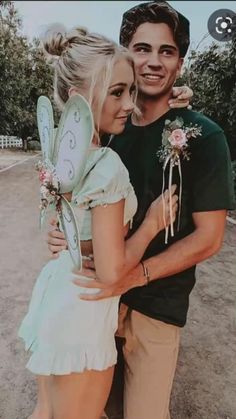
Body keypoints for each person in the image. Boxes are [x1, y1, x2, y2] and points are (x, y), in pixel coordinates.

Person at [48, 2, 235, 419]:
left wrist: (137, 274)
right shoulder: (108, 127)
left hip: (157, 307)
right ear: (125, 53)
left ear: (180, 62)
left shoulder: (205, 136)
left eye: (166, 51)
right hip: (96, 300)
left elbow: (210, 238)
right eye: (141, 48)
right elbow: (82, 205)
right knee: (93, 407)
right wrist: (65, 234)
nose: (153, 61)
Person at [18, 23, 181, 419]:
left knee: (47, 411)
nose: (130, 104)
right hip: (84, 308)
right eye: (117, 92)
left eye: (131, 91)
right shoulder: (107, 164)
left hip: (57, 291)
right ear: (78, 98)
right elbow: (110, 273)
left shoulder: (62, 155)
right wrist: (152, 223)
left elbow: (82, 231)